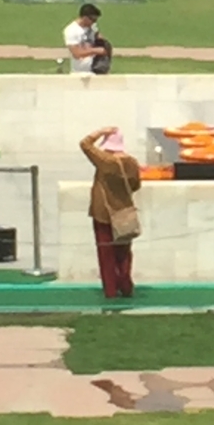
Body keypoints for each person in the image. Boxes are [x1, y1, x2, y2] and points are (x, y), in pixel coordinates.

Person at [80, 127, 141, 299]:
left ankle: (111, 289)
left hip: (104, 213)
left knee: (106, 253)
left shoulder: (105, 160)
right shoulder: (132, 163)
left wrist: (100, 132)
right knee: (124, 252)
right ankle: (126, 285)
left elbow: (85, 144)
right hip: (124, 212)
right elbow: (136, 185)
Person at [63, 3, 108, 74]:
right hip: (80, 72)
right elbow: (76, 53)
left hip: (95, 69)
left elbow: (99, 38)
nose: (94, 22)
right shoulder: (72, 30)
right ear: (85, 18)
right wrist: (96, 51)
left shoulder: (93, 27)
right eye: (93, 20)